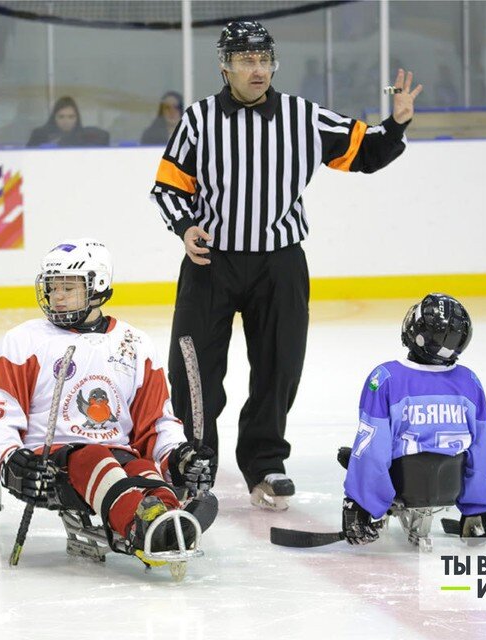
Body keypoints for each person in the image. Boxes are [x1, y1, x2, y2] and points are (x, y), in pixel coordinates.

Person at [149, 20, 422, 511]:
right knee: (193, 369)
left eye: (263, 59)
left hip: (279, 265)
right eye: (246, 60)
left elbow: (366, 150)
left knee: (279, 366)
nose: (257, 69)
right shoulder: (198, 119)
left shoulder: (304, 117)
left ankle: (265, 462)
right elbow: (168, 186)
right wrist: (186, 226)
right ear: (225, 66)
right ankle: (196, 461)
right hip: (211, 261)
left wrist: (397, 123)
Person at [0, 238, 214, 561]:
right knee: (94, 458)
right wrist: (11, 460)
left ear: (98, 287)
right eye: (52, 287)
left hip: (117, 455)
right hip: (50, 463)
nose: (56, 296)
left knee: (139, 467)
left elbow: (156, 422)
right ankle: (139, 527)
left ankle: (169, 518)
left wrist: (177, 456)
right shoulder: (24, 340)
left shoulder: (134, 343)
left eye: (68, 287)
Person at [341, 294, 486, 545]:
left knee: (359, 452)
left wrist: (358, 504)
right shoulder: (470, 381)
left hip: (403, 483)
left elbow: (373, 445)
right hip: (450, 484)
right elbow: (482, 449)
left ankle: (370, 499)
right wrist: (480, 508)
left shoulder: (385, 377)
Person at [27, 96, 109, 148]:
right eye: (61, 117)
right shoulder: (40, 136)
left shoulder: (86, 137)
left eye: (71, 117)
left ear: (77, 118)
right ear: (54, 118)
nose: (66, 121)